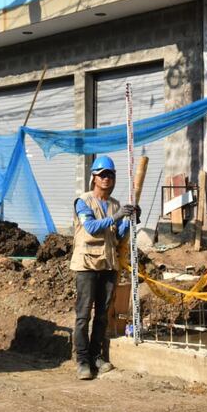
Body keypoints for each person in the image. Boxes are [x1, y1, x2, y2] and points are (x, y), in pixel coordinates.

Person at [70, 156, 139, 380]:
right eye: (102, 175)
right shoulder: (83, 201)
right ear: (94, 178)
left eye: (110, 175)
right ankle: (82, 360)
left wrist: (128, 221)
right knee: (83, 315)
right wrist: (116, 217)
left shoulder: (115, 205)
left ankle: (95, 355)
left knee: (102, 315)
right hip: (87, 264)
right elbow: (91, 227)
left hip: (109, 264)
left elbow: (117, 237)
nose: (106, 179)